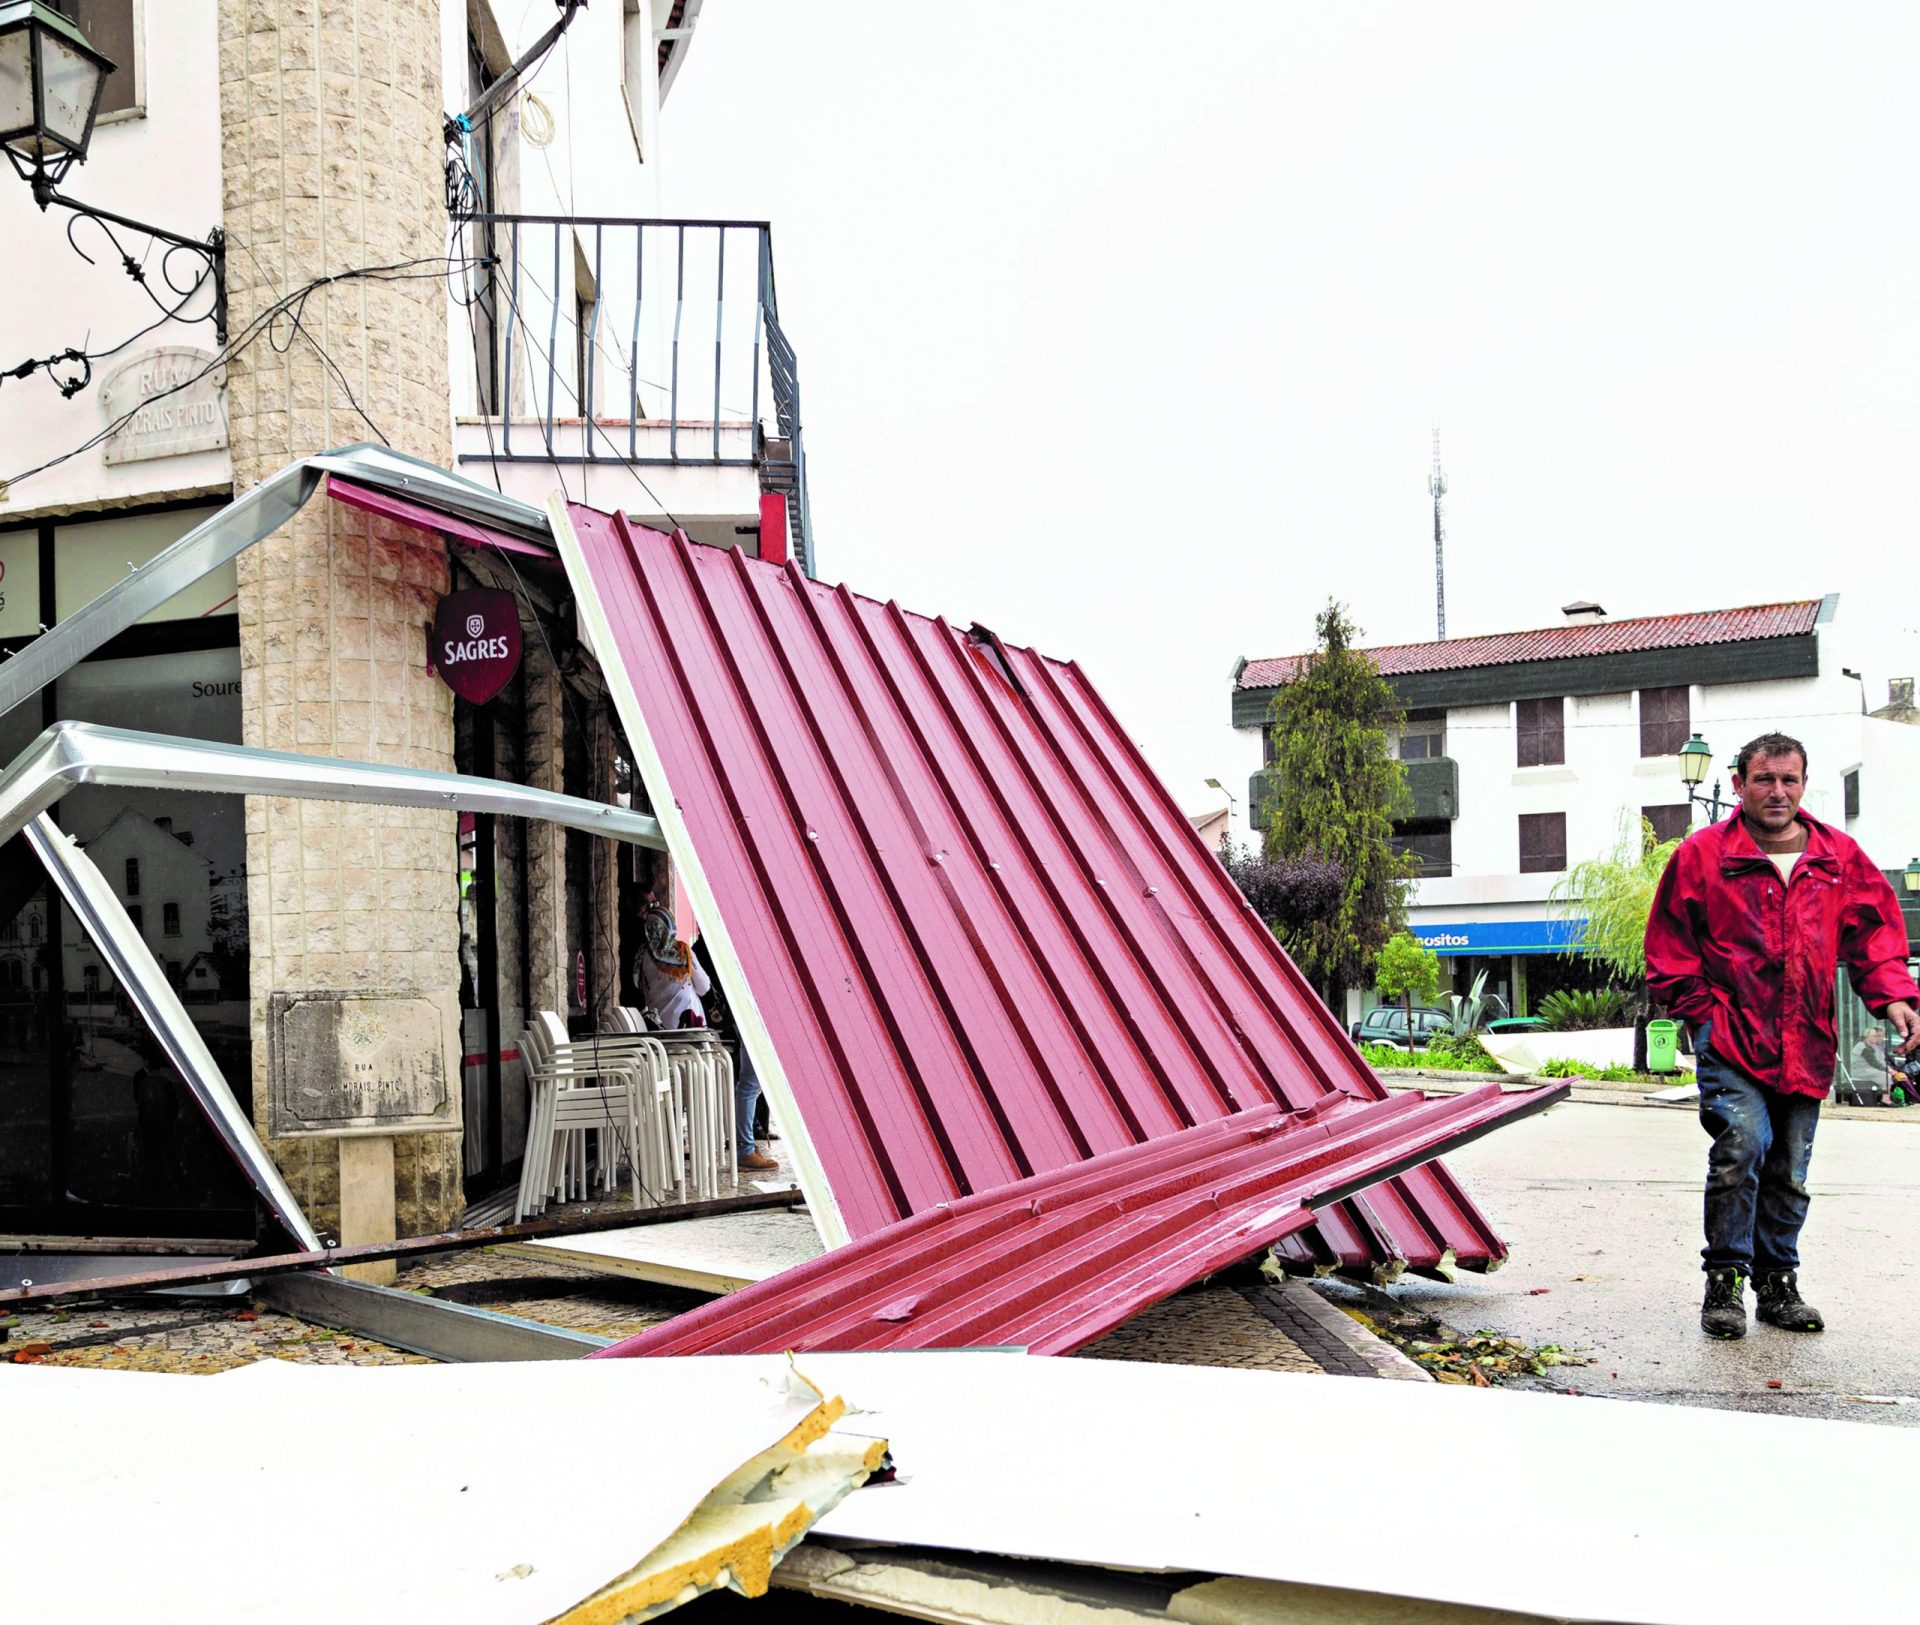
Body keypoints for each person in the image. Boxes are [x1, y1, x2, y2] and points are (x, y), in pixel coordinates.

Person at [1646, 731, 1920, 1340]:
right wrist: (1703, 1015)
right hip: (1732, 1036)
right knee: (1742, 1147)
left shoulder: (1837, 857)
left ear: (1803, 783)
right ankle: (1724, 1282)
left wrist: (1895, 996)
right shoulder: (1701, 856)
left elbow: (1876, 936)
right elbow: (1670, 947)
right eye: (1763, 779)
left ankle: (1776, 1286)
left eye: (1789, 779)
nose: (1777, 791)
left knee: (1790, 1169)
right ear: (1739, 784)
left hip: (1806, 1038)